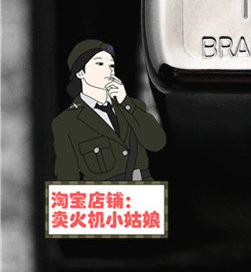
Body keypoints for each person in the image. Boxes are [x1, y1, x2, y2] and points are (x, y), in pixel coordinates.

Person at [52, 40, 166, 180]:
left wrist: (125, 103)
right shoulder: (66, 123)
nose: (108, 70)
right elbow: (66, 178)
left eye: (111, 65)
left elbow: (157, 142)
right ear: (81, 72)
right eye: (100, 64)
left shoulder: (130, 107)